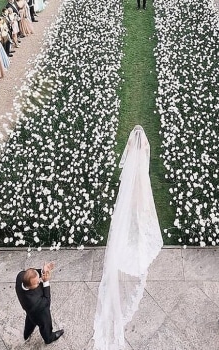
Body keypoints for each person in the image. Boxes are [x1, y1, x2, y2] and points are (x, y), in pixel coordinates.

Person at [93, 126, 163, 350]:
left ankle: (133, 218)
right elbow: (146, 156)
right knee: (140, 204)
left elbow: (127, 161)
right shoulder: (143, 147)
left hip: (134, 182)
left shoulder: (133, 146)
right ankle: (138, 220)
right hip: (140, 181)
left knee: (130, 204)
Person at [15, 262, 64, 344]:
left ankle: (26, 334)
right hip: (39, 313)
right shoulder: (34, 301)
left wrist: (42, 271)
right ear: (30, 287)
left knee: (30, 319)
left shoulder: (21, 276)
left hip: (30, 310)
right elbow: (47, 302)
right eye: (37, 282)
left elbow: (33, 274)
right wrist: (46, 282)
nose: (39, 281)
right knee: (45, 325)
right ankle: (49, 338)